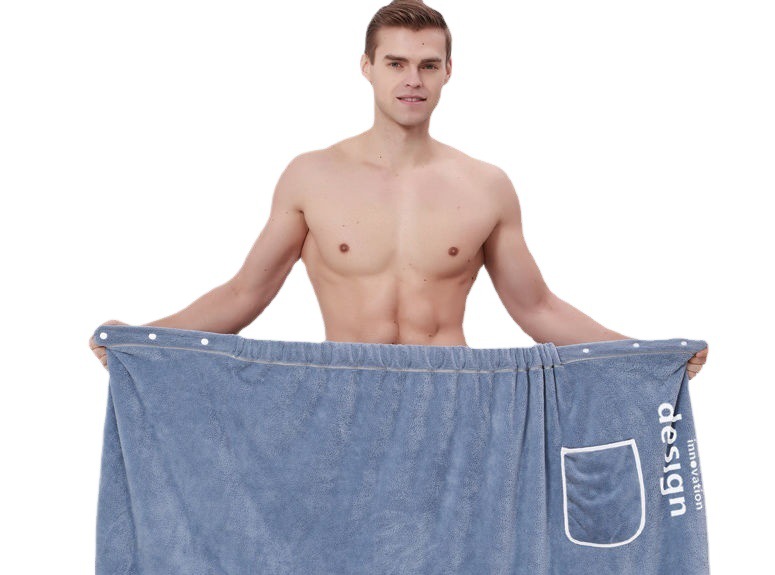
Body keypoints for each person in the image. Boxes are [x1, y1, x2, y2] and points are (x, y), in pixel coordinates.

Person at [89, 0, 707, 378]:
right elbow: (245, 293)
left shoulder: (485, 186)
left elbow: (537, 308)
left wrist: (644, 354)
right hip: (345, 392)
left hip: (455, 393)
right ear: (367, 67)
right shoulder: (311, 176)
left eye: (428, 65)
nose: (413, 80)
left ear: (447, 72)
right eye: (396, 63)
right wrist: (144, 338)